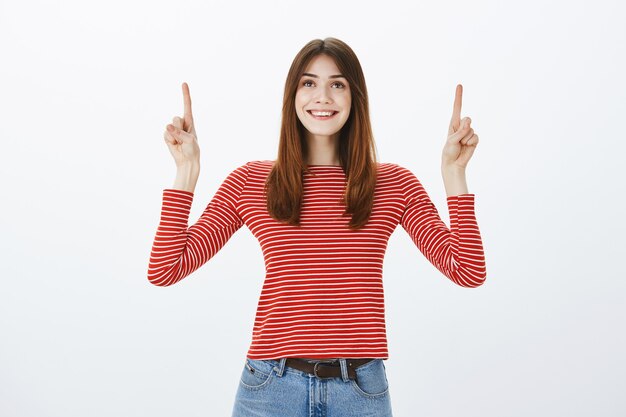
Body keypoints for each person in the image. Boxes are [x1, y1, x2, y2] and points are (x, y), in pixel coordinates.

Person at [148, 37, 486, 417]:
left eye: (337, 84)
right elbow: (165, 269)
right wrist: (186, 170)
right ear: (292, 96)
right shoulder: (252, 181)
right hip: (269, 390)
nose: (322, 96)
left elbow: (468, 270)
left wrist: (454, 174)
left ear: (355, 97)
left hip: (359, 392)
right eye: (309, 83)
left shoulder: (394, 184)